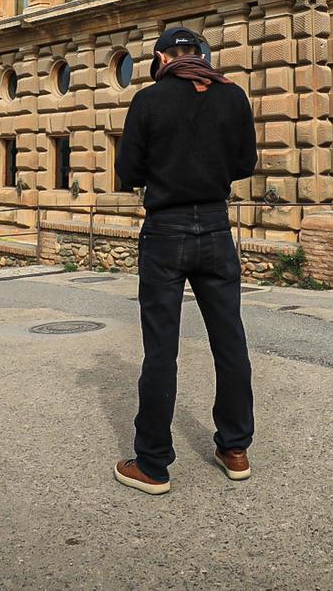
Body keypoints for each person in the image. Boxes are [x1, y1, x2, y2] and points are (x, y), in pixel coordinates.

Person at [112, 26, 257, 495]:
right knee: (229, 340)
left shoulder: (148, 101)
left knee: (161, 350)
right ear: (203, 55)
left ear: (160, 58)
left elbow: (128, 172)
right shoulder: (232, 96)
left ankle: (153, 464)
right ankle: (235, 449)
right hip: (216, 228)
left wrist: (166, 169)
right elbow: (245, 164)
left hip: (166, 230)